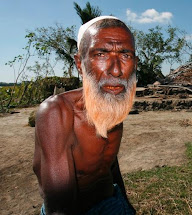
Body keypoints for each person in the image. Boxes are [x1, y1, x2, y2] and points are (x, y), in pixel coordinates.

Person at [33, 16, 137, 215]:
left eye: (125, 55)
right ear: (80, 63)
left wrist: (124, 204)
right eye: (101, 54)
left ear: (135, 63)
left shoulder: (113, 103)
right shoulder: (57, 113)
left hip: (111, 201)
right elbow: (59, 208)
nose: (116, 70)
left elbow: (109, 163)